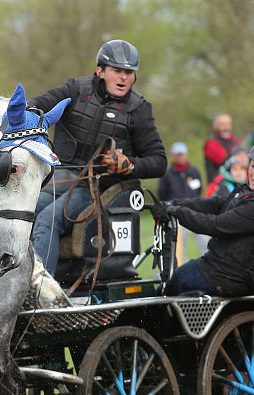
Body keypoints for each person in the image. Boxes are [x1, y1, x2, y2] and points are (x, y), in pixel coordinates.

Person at [29, 39, 167, 275]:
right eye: (117, 71)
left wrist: (129, 165)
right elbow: (39, 104)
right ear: (100, 71)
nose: (124, 78)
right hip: (58, 179)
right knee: (23, 210)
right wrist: (24, 114)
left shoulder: (139, 109)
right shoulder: (75, 90)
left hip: (95, 190)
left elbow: (159, 162)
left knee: (46, 221)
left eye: (129, 72)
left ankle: (42, 294)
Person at [153, 137, 254, 297]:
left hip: (224, 275)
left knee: (166, 288)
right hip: (233, 273)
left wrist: (176, 211)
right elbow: (219, 203)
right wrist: (173, 203)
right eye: (253, 166)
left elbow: (215, 225)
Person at [159, 142, 205, 261]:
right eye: (178, 154)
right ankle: (180, 270)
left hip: (195, 211)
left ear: (186, 155)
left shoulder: (194, 171)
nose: (180, 157)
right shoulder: (167, 174)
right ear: (173, 156)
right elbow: (162, 194)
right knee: (178, 247)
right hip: (176, 214)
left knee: (205, 241)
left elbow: (199, 189)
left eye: (182, 154)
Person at [203, 113, 240, 183]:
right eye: (222, 124)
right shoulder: (211, 143)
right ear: (215, 125)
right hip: (218, 185)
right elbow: (226, 160)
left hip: (235, 183)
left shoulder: (235, 140)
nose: (226, 128)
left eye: (228, 124)